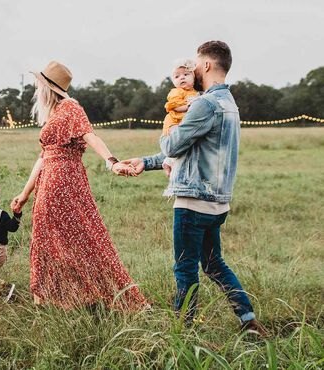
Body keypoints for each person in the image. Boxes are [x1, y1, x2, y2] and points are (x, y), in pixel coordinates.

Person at [121, 41, 266, 334]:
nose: (193, 70)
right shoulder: (229, 104)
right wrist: (146, 162)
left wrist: (169, 129)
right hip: (217, 202)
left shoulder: (204, 103)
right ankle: (248, 320)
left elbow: (174, 144)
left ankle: (183, 332)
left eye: (197, 65)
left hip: (193, 201)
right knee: (214, 265)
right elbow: (192, 151)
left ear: (208, 66)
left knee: (185, 268)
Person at [10, 60, 148, 310]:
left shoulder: (70, 108)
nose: (35, 90)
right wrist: (25, 193)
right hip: (50, 179)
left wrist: (112, 162)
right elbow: (43, 157)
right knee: (52, 240)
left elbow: (90, 135)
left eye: (38, 85)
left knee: (80, 238)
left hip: (63, 180)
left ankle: (88, 295)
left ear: (47, 88)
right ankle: (55, 298)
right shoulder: (54, 113)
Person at [162, 59, 200, 177]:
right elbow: (174, 106)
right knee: (177, 140)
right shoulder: (176, 92)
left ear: (193, 77)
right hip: (174, 121)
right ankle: (170, 162)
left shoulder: (196, 92)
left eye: (186, 74)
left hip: (184, 122)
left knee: (185, 143)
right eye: (177, 76)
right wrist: (188, 106)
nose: (182, 78)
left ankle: (168, 162)